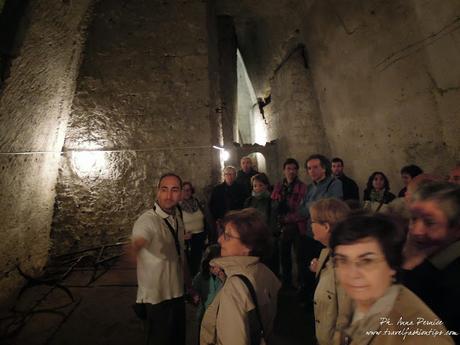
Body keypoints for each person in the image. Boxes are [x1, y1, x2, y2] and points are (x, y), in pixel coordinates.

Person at [330, 214, 454, 345]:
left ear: (392, 265)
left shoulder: (421, 337)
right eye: (342, 260)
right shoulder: (357, 296)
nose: (352, 274)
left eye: (366, 261)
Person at [200, 208, 281, 345]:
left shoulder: (234, 288)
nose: (219, 240)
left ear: (248, 245)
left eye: (227, 236)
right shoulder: (265, 272)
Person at [132, 173, 189, 345]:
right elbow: (141, 238)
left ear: (180, 194)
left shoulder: (176, 218)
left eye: (174, 190)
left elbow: (181, 254)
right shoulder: (147, 220)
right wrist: (136, 246)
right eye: (164, 189)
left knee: (178, 340)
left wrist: (189, 284)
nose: (169, 195)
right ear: (157, 192)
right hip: (156, 299)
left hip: (177, 293)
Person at [402, 182, 460, 340]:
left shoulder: (452, 279)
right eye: (413, 219)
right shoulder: (424, 260)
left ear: (456, 229)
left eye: (430, 223)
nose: (417, 231)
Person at [298, 154, 343, 300]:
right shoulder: (310, 187)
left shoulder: (334, 184)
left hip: (325, 237)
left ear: (324, 168)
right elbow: (301, 211)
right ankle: (310, 299)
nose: (312, 171)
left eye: (316, 167)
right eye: (309, 168)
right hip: (309, 234)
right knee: (308, 269)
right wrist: (317, 205)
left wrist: (311, 207)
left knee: (323, 271)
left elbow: (331, 208)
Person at [308, 198, 351, 345]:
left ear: (326, 227)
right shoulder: (328, 253)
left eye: (313, 221)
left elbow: (346, 320)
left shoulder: (345, 266)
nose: (310, 225)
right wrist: (320, 269)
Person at [271, 158, 307, 287]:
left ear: (297, 171)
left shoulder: (302, 187)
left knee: (299, 257)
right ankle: (287, 283)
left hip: (297, 226)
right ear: (284, 170)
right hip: (282, 226)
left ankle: (301, 284)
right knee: (284, 256)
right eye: (288, 169)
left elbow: (302, 209)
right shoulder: (279, 186)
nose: (291, 171)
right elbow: (274, 201)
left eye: (293, 169)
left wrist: (287, 216)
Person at [245, 173, 278, 274]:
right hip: (252, 237)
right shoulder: (249, 201)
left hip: (266, 237)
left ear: (266, 185)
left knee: (269, 265)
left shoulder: (271, 201)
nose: (257, 188)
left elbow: (273, 220)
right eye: (255, 185)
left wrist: (270, 236)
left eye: (260, 185)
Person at [209, 166, 246, 242]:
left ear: (235, 175)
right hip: (222, 219)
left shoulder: (241, 188)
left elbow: (244, 203)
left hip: (237, 219)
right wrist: (216, 217)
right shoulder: (217, 189)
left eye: (232, 174)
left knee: (236, 239)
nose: (230, 176)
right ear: (224, 175)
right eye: (227, 174)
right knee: (223, 239)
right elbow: (212, 204)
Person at [192, 244, 224, 330]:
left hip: (219, 319)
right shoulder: (201, 277)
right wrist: (195, 296)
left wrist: (222, 278)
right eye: (213, 265)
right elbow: (193, 290)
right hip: (204, 317)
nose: (216, 268)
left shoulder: (225, 278)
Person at [180, 181, 207, 276]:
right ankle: (191, 285)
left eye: (189, 190)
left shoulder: (197, 203)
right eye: (184, 190)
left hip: (201, 236)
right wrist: (181, 235)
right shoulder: (178, 206)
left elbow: (204, 218)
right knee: (191, 264)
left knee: (200, 262)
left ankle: (198, 284)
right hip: (189, 239)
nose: (187, 192)